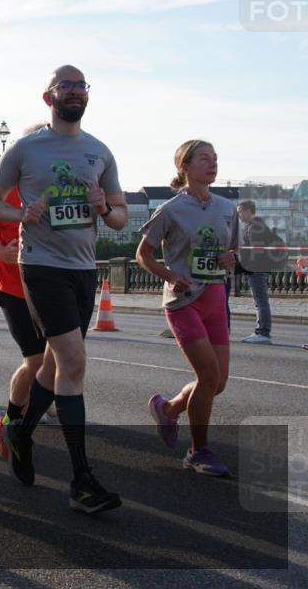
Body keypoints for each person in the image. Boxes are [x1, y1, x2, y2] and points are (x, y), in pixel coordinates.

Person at [0, 64, 126, 514]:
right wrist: (21, 214)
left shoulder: (100, 151)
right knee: (74, 361)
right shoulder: (25, 149)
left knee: (55, 361)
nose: (75, 91)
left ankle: (21, 432)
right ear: (49, 97)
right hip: (40, 266)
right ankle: (81, 481)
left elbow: (120, 218)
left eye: (81, 85)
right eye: (66, 85)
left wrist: (105, 208)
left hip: (83, 270)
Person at [137, 140, 238, 476]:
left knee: (218, 382)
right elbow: (144, 254)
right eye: (204, 159)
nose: (213, 164)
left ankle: (169, 408)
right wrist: (169, 275)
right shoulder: (170, 209)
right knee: (208, 376)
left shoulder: (226, 207)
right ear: (184, 166)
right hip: (183, 303)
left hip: (215, 298)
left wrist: (230, 258)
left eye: (215, 159)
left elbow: (233, 248)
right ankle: (199, 451)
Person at [0, 123, 54, 461]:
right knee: (35, 360)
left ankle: (46, 406)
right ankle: (11, 418)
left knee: (63, 359)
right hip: (15, 289)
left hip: (54, 286)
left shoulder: (60, 186)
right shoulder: (6, 188)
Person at [237, 200, 274, 344]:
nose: (239, 214)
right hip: (259, 268)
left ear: (248, 211)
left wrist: (242, 266)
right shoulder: (256, 226)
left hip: (257, 269)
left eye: (240, 211)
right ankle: (262, 331)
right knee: (260, 301)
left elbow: (256, 252)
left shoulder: (255, 228)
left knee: (260, 302)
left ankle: (263, 332)